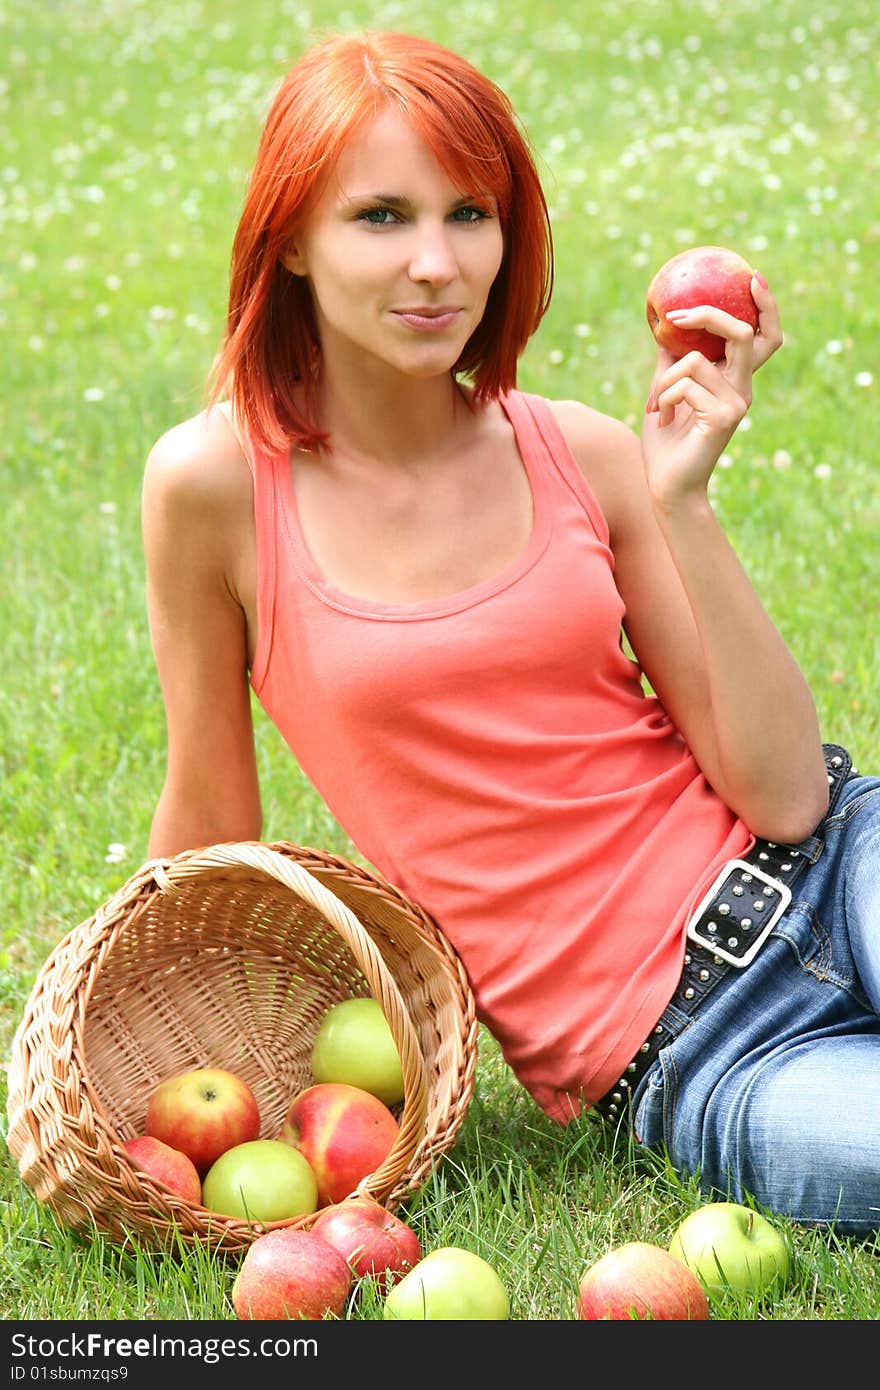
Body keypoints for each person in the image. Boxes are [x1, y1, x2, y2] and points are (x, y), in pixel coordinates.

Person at [141, 29, 880, 1236]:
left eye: (468, 213)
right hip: (698, 1057)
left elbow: (789, 795)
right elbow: (214, 819)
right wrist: (165, 1060)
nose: (435, 263)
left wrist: (681, 500)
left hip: (839, 867)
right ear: (287, 242)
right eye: (380, 217)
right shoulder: (217, 488)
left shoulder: (582, 451)